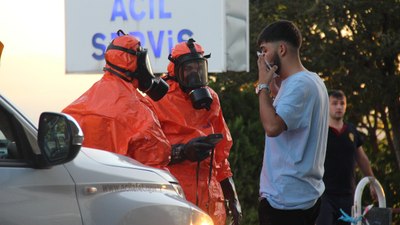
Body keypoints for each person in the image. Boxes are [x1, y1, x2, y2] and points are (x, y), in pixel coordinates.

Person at [146, 38, 242, 225]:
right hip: (173, 198)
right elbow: (145, 154)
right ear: (175, 70)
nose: (195, 73)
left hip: (211, 200)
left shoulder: (211, 99)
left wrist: (232, 198)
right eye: (188, 68)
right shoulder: (156, 100)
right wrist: (182, 151)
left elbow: (221, 157)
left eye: (199, 67)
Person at [62, 30, 173, 169]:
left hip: (84, 184)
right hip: (123, 186)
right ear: (136, 63)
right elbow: (156, 160)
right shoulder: (139, 113)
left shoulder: (76, 108)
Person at [256, 20, 329, 225]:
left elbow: (272, 127)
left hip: (286, 202)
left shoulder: (300, 84)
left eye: (264, 50)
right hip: (298, 197)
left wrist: (262, 85)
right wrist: (273, 86)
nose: (262, 58)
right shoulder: (311, 81)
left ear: (281, 48)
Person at [316, 89, 376, 225]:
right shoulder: (320, 130)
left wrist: (372, 182)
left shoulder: (351, 130)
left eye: (342, 103)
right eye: (334, 103)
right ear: (327, 105)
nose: (338, 107)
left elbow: (362, 158)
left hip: (348, 195)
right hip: (324, 193)